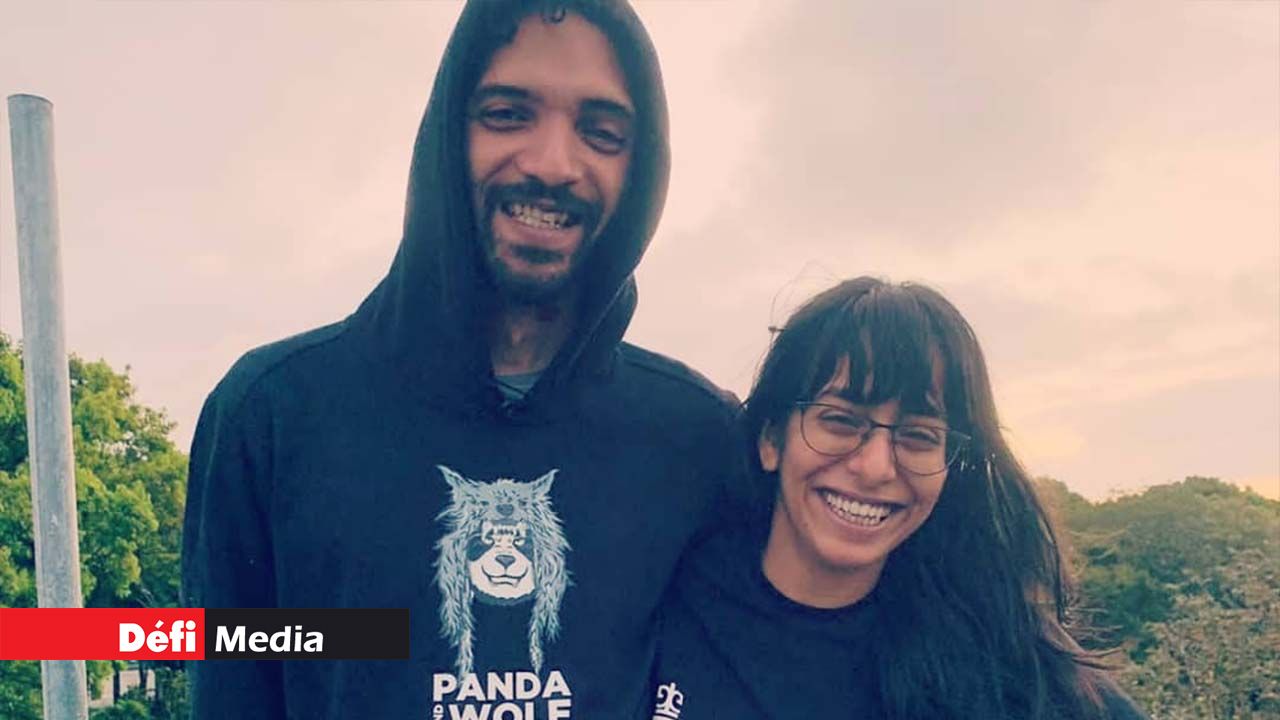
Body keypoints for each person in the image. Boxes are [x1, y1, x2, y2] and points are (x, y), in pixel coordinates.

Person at [181, 2, 739, 718]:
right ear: (446, 135)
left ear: (643, 169)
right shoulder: (272, 415)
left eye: (601, 132)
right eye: (508, 114)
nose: (552, 164)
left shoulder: (699, 438)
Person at [650, 277, 1146, 720]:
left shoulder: (1006, 667)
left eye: (919, 436)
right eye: (841, 421)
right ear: (771, 439)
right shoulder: (660, 592)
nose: (876, 468)